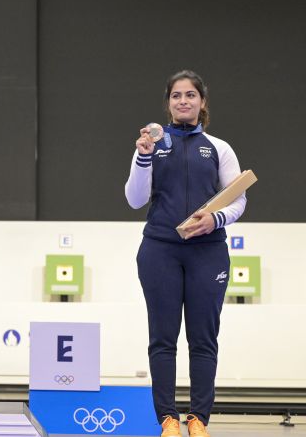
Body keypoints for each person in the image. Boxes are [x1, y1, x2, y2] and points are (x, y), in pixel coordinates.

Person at [125, 70, 246, 437]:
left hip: (208, 253)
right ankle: (168, 420)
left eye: (190, 95)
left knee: (203, 338)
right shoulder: (151, 144)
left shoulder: (219, 148)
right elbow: (134, 199)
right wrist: (143, 158)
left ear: (202, 102)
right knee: (163, 338)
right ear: (168, 102)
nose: (183, 101)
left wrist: (216, 219)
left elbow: (239, 198)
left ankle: (198, 420)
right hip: (160, 251)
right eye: (176, 95)